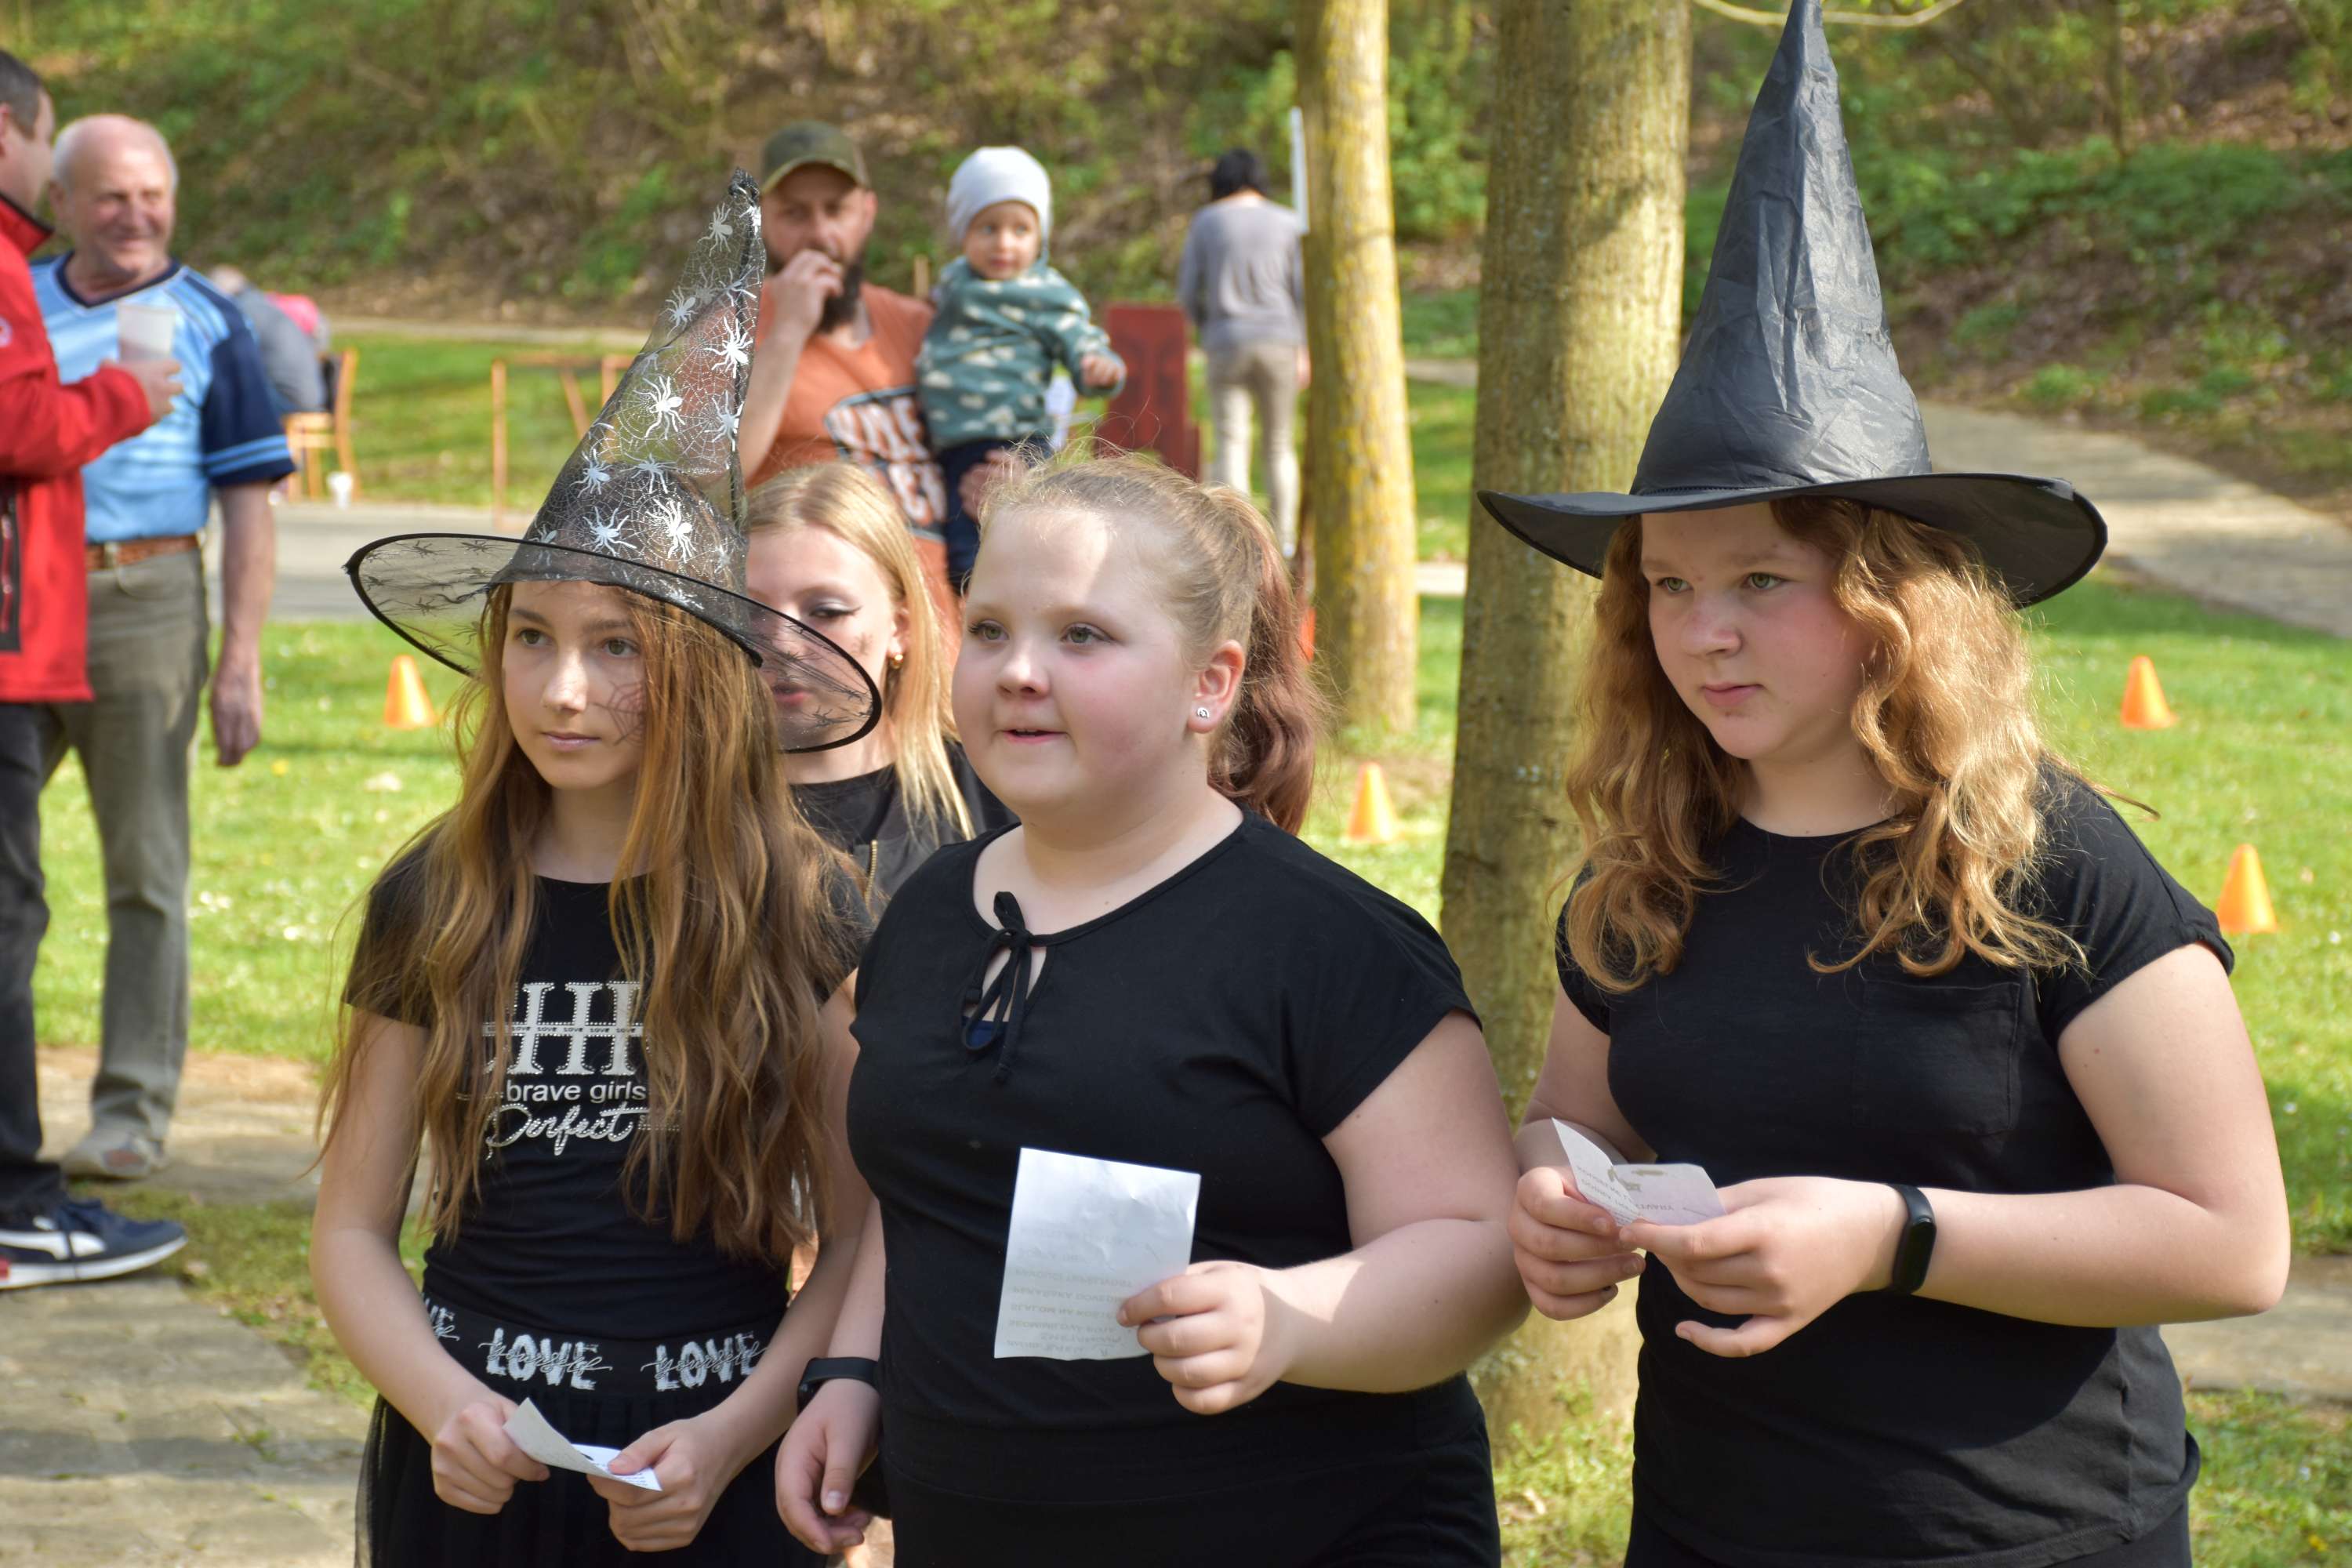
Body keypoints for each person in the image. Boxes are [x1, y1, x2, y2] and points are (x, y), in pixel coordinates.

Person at [1481, 6, 2290, 1566]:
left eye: (1760, 582)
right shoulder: (1646, 861)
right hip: (1714, 1527)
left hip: (2030, 1538)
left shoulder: (2045, 855)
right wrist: (1553, 1205)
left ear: (1892, 602)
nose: (1703, 633)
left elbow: (2232, 1238)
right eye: (1669, 586)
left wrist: (1890, 1236)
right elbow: (1568, 1118)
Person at [778, 454, 1527, 1565]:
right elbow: (928, 1182)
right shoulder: (932, 908)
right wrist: (853, 1370)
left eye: (1083, 636)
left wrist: (1287, 1319)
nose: (1019, 671)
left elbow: (1481, 1251)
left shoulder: (1326, 944)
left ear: (1209, 684)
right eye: (990, 630)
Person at [313, 174, 884, 1566]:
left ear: (697, 670)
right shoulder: (436, 899)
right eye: (532, 637)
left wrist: (737, 1434)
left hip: (713, 1460)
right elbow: (350, 1233)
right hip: (475, 1465)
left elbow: (861, 1238)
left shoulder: (801, 907)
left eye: (616, 645)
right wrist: (445, 1408)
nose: (563, 690)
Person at [33, 113, 292, 1181]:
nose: (135, 216)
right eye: (110, 196)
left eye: (152, 196)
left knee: (145, 869)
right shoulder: (18, 301)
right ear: (61, 204)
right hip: (19, 599)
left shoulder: (210, 321)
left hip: (145, 600)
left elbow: (251, 504)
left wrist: (240, 660)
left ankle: (130, 1111)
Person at [0, 50, 188, 1290]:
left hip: (117, 619)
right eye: (46, 142)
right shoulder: (5, 266)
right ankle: (19, 1204)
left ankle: (103, 1129)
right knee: (9, 914)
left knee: (124, 876)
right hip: (16, 647)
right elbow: (18, 423)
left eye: (149, 195)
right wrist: (121, 395)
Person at [746, 462, 1011, 903]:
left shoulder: (996, 790)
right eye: (750, 610)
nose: (783, 644)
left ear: (899, 627)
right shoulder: (677, 803)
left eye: (826, 611)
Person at [736, 122, 956, 617]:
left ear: (867, 213)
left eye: (835, 210)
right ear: (762, 220)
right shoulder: (728, 333)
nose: (820, 234)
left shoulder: (917, 325)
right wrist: (789, 330)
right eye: (795, 214)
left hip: (947, 634)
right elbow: (707, 482)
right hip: (820, 638)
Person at [916, 146, 1123, 590]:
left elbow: (1079, 337)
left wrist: (1096, 366)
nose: (1004, 244)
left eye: (1021, 229)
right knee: (957, 555)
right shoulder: (953, 282)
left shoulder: (1044, 292)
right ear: (963, 232)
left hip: (1014, 437)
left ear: (1040, 236)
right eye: (988, 228)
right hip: (951, 443)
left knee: (1008, 547)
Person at [1178, 148, 1306, 557]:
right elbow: (1301, 291)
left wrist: (1207, 327)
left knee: (1232, 441)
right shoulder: (1288, 221)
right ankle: (1284, 543)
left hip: (1227, 340)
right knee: (1279, 444)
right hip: (1280, 340)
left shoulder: (1207, 221)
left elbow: (1188, 290)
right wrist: (1304, 349)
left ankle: (1240, 544)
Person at [207, 264, 325, 416]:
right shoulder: (264, 304)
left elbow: (232, 360)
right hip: (312, 397)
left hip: (289, 401)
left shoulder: (243, 311)